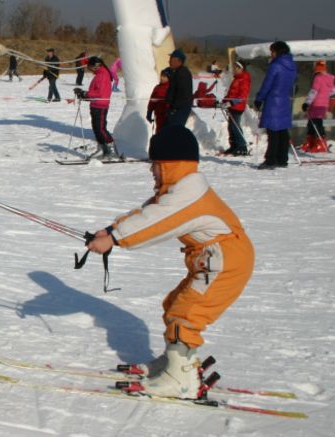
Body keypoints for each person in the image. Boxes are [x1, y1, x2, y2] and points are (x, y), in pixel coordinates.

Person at [87, 126, 254, 400]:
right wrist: (110, 229)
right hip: (214, 261)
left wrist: (115, 239)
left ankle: (182, 381)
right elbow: (148, 211)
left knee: (186, 314)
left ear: (172, 164)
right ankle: (175, 364)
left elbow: (155, 222)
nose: (152, 170)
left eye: (156, 164)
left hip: (227, 263)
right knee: (175, 305)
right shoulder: (183, 189)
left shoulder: (188, 196)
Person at [254, 41, 297, 170]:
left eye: (272, 51)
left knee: (272, 132)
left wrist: (259, 98)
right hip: (285, 100)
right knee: (283, 131)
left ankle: (271, 160)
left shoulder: (275, 65)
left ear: (277, 51)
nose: (271, 54)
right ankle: (282, 159)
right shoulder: (293, 65)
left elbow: (267, 84)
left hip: (273, 101)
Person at [75, 56, 119, 160]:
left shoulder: (103, 74)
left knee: (101, 129)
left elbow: (99, 93)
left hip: (101, 106)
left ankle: (112, 151)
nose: (89, 69)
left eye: (89, 67)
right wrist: (83, 95)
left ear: (95, 66)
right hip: (95, 105)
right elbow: (95, 92)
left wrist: (85, 93)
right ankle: (102, 149)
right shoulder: (99, 74)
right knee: (96, 129)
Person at [300, 60, 335, 153]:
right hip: (323, 105)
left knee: (314, 124)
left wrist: (307, 103)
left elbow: (313, 92)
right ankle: (313, 143)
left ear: (316, 69)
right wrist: (324, 94)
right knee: (316, 123)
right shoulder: (329, 78)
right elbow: (334, 91)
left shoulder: (318, 78)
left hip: (315, 104)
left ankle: (319, 144)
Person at [221, 61, 251, 156]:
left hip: (237, 106)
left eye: (236, 68)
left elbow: (242, 96)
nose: (234, 69)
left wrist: (231, 102)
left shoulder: (244, 79)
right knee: (231, 127)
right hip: (231, 106)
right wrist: (224, 100)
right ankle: (234, 145)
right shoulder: (237, 78)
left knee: (235, 126)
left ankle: (242, 146)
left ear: (241, 68)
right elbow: (231, 92)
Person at [165, 49, 193, 127]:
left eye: (171, 59)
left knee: (174, 131)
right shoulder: (177, 72)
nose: (169, 61)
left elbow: (182, 93)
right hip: (176, 108)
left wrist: (174, 108)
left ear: (179, 61)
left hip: (180, 109)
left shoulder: (182, 73)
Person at [146, 67, 172, 134]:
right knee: (159, 132)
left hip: (169, 115)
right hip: (159, 115)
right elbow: (152, 101)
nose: (162, 78)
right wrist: (149, 112)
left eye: (164, 76)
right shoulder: (157, 87)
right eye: (161, 76)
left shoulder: (172, 88)